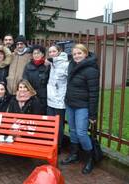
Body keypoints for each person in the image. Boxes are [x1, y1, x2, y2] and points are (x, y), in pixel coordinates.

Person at [61, 44, 100, 175]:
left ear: (86, 54)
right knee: (72, 130)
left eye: (79, 53)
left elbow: (94, 94)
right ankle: (74, 155)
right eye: (75, 54)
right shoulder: (72, 65)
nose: (76, 56)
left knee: (82, 132)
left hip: (82, 106)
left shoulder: (91, 70)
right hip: (70, 104)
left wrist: (93, 115)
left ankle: (90, 159)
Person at [47, 44, 69, 153]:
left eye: (53, 51)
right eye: (50, 52)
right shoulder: (52, 63)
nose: (51, 54)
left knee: (59, 126)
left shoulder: (66, 64)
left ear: (59, 52)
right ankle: (52, 145)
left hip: (60, 101)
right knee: (51, 124)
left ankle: (58, 146)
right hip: (50, 99)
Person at [23, 45, 50, 114]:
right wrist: (32, 93)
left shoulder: (47, 66)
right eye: (34, 53)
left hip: (43, 96)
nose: (36, 55)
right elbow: (25, 80)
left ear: (43, 54)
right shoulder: (28, 66)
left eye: (38, 53)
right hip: (31, 96)